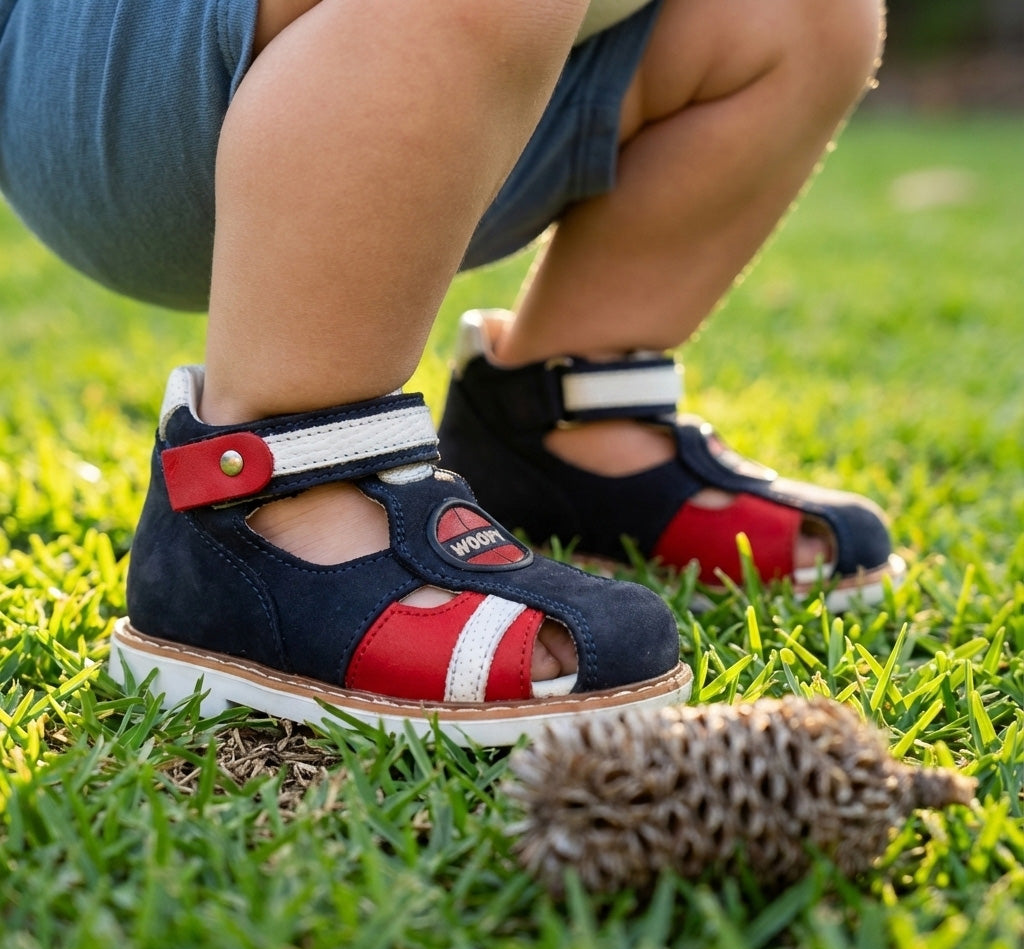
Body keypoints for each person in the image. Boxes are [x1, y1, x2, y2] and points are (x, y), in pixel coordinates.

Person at [0, 0, 895, 745]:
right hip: (128, 76)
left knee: (810, 15)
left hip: (490, 87)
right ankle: (270, 493)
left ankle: (565, 431)